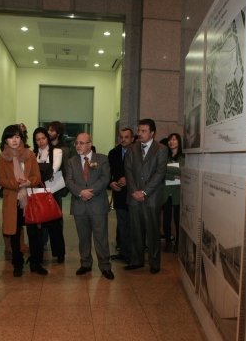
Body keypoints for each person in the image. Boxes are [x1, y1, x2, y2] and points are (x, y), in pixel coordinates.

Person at [0, 124, 47, 276]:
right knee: (14, 232)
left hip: (30, 199)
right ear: (6, 139)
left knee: (34, 233)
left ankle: (35, 262)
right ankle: (17, 263)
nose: (14, 140)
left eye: (17, 137)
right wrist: (17, 184)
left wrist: (28, 182)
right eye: (11, 137)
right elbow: (1, 179)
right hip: (13, 199)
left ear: (22, 138)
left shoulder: (30, 154)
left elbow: (37, 177)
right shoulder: (2, 157)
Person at [64, 133, 114, 279]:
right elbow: (69, 181)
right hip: (79, 204)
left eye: (81, 143)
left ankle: (105, 266)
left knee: (101, 237)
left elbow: (105, 178)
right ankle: (85, 264)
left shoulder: (102, 159)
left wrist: (89, 192)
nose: (78, 145)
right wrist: (81, 192)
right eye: (76, 143)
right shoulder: (71, 162)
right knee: (83, 237)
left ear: (89, 144)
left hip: (97, 203)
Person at [123, 119, 168, 274]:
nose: (139, 134)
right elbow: (128, 172)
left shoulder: (161, 149)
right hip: (134, 197)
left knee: (153, 231)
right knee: (136, 230)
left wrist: (144, 191)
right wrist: (135, 191)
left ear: (152, 132)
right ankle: (137, 260)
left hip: (152, 197)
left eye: (143, 131)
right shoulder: (131, 149)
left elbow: (159, 174)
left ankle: (154, 262)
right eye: (139, 130)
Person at [32, 127, 66, 263]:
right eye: (38, 139)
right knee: (38, 222)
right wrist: (47, 173)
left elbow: (55, 167)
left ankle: (59, 253)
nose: (41, 141)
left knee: (55, 223)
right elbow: (31, 171)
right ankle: (38, 252)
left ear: (47, 138)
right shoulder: (32, 154)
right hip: (37, 191)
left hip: (53, 191)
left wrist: (44, 172)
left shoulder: (57, 151)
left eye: (43, 138)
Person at [108, 128, 133, 263]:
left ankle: (132, 253)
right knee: (122, 224)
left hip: (134, 194)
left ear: (132, 139)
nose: (123, 139)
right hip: (119, 193)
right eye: (121, 137)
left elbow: (143, 173)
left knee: (132, 225)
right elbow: (108, 172)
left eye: (126, 137)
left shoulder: (138, 152)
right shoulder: (113, 153)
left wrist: (128, 181)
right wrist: (110, 182)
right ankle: (124, 252)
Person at [162, 133, 185, 253]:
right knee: (166, 219)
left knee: (177, 219)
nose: (171, 142)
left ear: (179, 142)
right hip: (166, 193)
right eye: (170, 140)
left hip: (177, 193)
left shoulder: (183, 157)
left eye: (174, 140)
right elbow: (160, 172)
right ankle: (168, 243)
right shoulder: (164, 156)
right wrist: (173, 175)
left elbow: (182, 171)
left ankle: (178, 244)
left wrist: (166, 168)